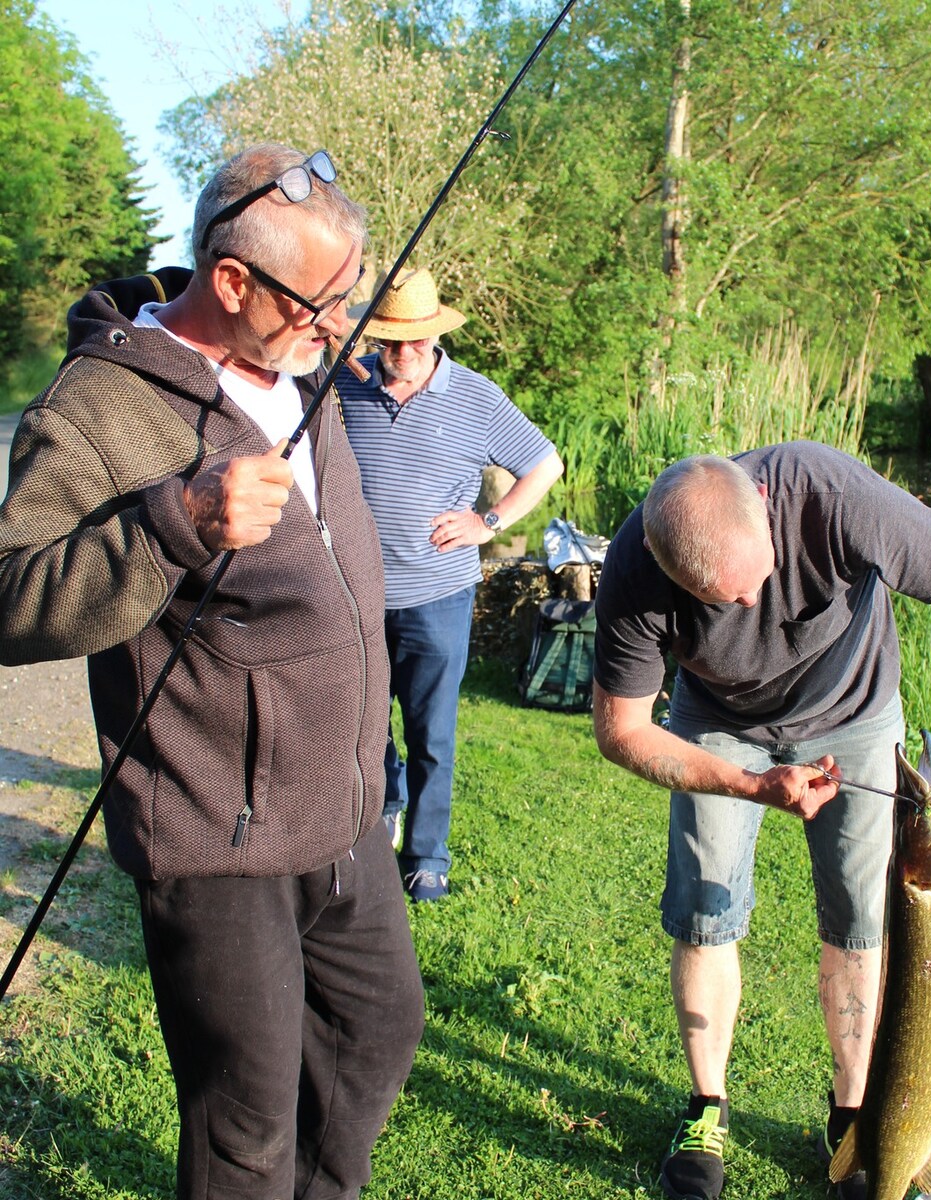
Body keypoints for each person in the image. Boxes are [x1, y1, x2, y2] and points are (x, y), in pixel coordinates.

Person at [0, 144, 425, 1199]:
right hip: (215, 834)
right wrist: (174, 521)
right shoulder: (98, 405)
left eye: (349, 297)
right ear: (231, 282)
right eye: (322, 302)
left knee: (377, 1034)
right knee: (246, 1119)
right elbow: (9, 594)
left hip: (342, 811)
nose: (341, 326)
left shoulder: (299, 368)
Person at [590, 444, 931, 1200]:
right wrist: (750, 784)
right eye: (725, 600)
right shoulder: (635, 569)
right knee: (704, 913)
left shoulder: (838, 498)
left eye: (758, 578)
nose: (752, 604)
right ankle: (706, 1110)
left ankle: (854, 1117)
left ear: (765, 502)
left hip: (856, 713)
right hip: (718, 720)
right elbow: (622, 730)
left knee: (863, 922)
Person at [338, 268, 564, 902]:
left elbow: (546, 463)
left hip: (438, 595)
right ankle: (384, 807)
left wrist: (487, 521)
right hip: (356, 593)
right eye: (388, 341)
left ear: (436, 336)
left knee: (431, 730)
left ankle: (427, 853)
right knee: (363, 720)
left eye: (412, 342)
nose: (400, 355)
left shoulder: (477, 397)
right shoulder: (349, 384)